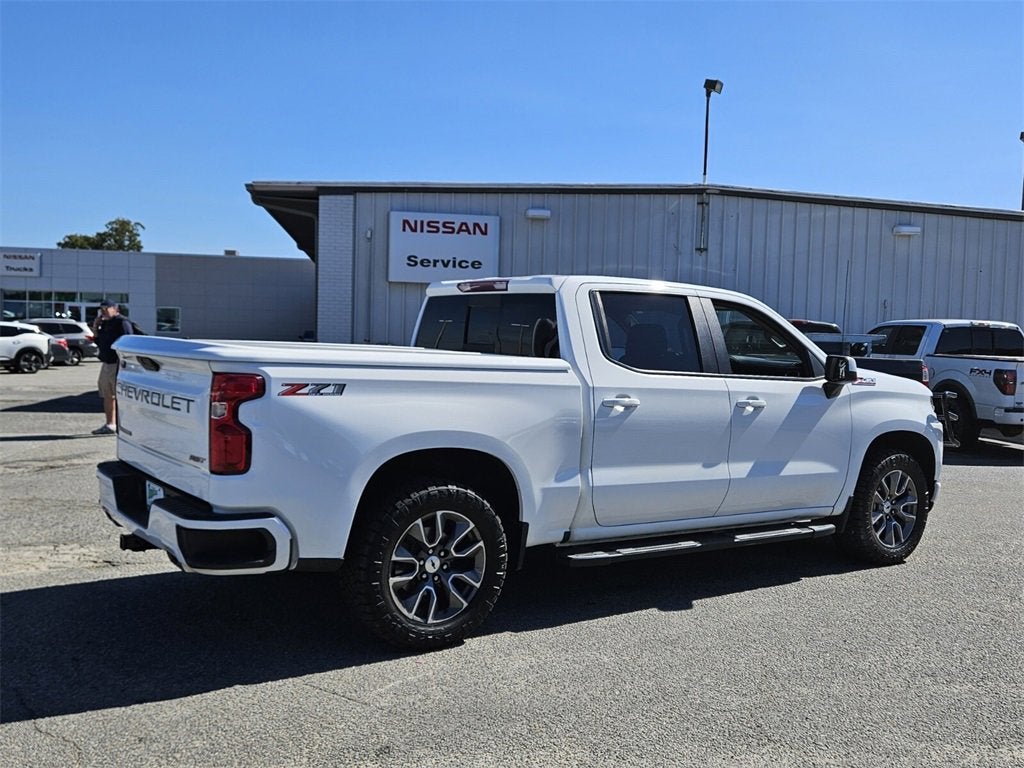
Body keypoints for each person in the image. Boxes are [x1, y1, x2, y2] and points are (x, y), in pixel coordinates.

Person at [92, 300, 133, 435]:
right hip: (106, 363)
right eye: (101, 309)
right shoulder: (104, 323)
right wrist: (96, 328)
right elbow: (100, 342)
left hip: (118, 363)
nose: (103, 311)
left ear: (116, 309)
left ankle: (125, 426)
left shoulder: (122, 322)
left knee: (121, 396)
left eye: (106, 308)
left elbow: (128, 342)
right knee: (107, 395)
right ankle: (110, 424)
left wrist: (124, 363)